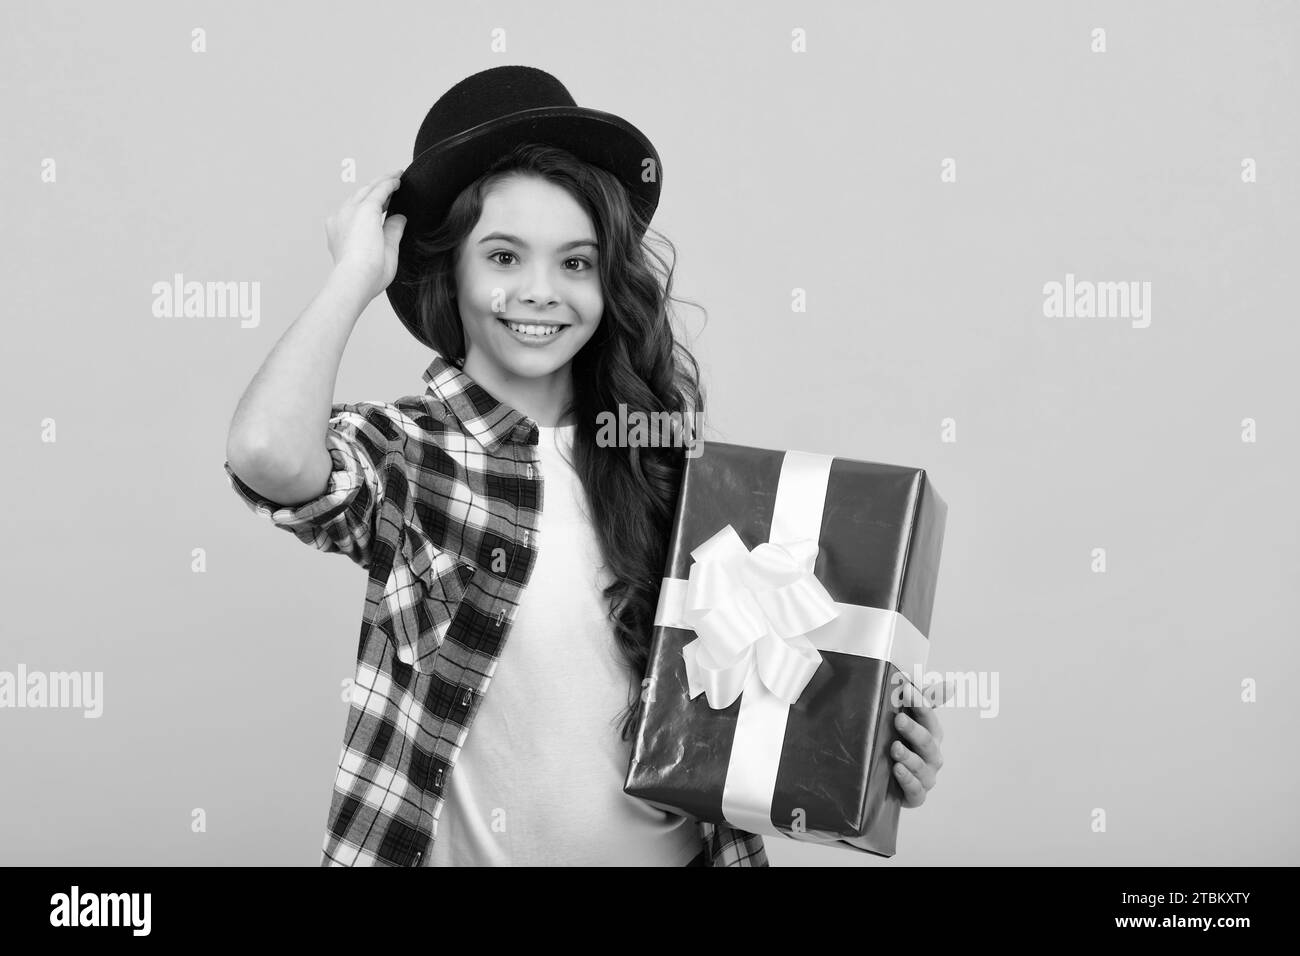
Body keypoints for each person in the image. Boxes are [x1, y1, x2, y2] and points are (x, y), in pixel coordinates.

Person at [222, 66, 945, 868]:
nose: (540, 292)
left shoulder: (668, 465)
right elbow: (267, 455)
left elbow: (754, 701)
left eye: (575, 263)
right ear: (450, 271)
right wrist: (353, 277)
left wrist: (875, 746)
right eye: (503, 257)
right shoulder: (411, 455)